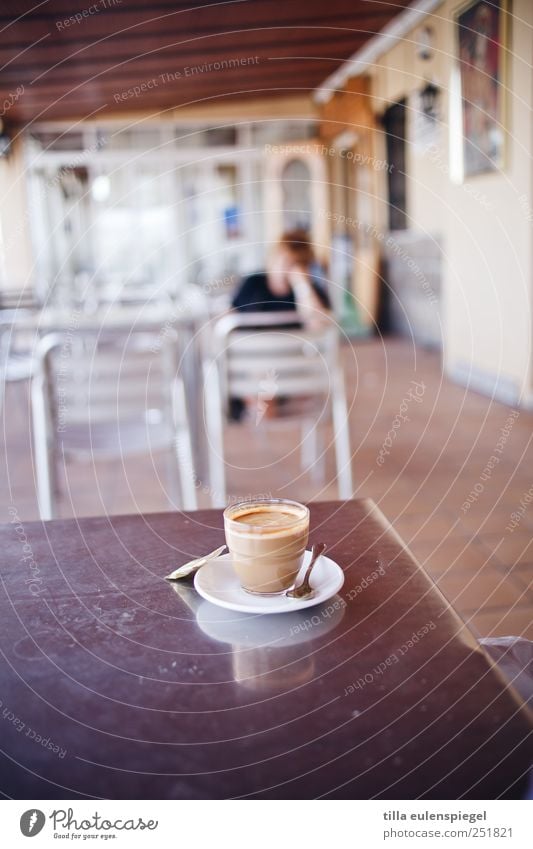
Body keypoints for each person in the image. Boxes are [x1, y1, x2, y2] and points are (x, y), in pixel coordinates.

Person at [231, 229, 330, 328]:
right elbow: (230, 318)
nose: (286, 269)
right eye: (284, 261)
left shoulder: (311, 291)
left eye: (295, 264)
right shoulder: (253, 283)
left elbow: (318, 327)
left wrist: (302, 285)